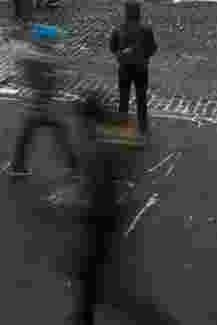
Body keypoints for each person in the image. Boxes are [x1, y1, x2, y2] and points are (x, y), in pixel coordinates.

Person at [67, 93, 180, 325]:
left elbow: (96, 184)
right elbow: (136, 144)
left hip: (101, 215)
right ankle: (83, 317)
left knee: (103, 281)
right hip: (112, 211)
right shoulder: (114, 133)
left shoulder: (98, 143)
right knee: (95, 276)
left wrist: (78, 201)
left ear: (89, 119)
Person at [8, 38, 79, 178]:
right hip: (46, 106)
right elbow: (58, 80)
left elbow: (21, 70)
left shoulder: (30, 57)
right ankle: (74, 167)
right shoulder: (48, 60)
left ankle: (17, 166)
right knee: (61, 133)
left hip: (34, 105)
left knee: (26, 135)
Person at [108, 1, 158, 135]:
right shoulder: (146, 29)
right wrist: (144, 56)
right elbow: (153, 48)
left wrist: (121, 54)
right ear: (138, 13)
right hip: (141, 68)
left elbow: (112, 48)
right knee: (141, 98)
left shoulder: (118, 29)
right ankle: (143, 126)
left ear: (126, 13)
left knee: (123, 98)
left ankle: (123, 125)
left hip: (124, 68)